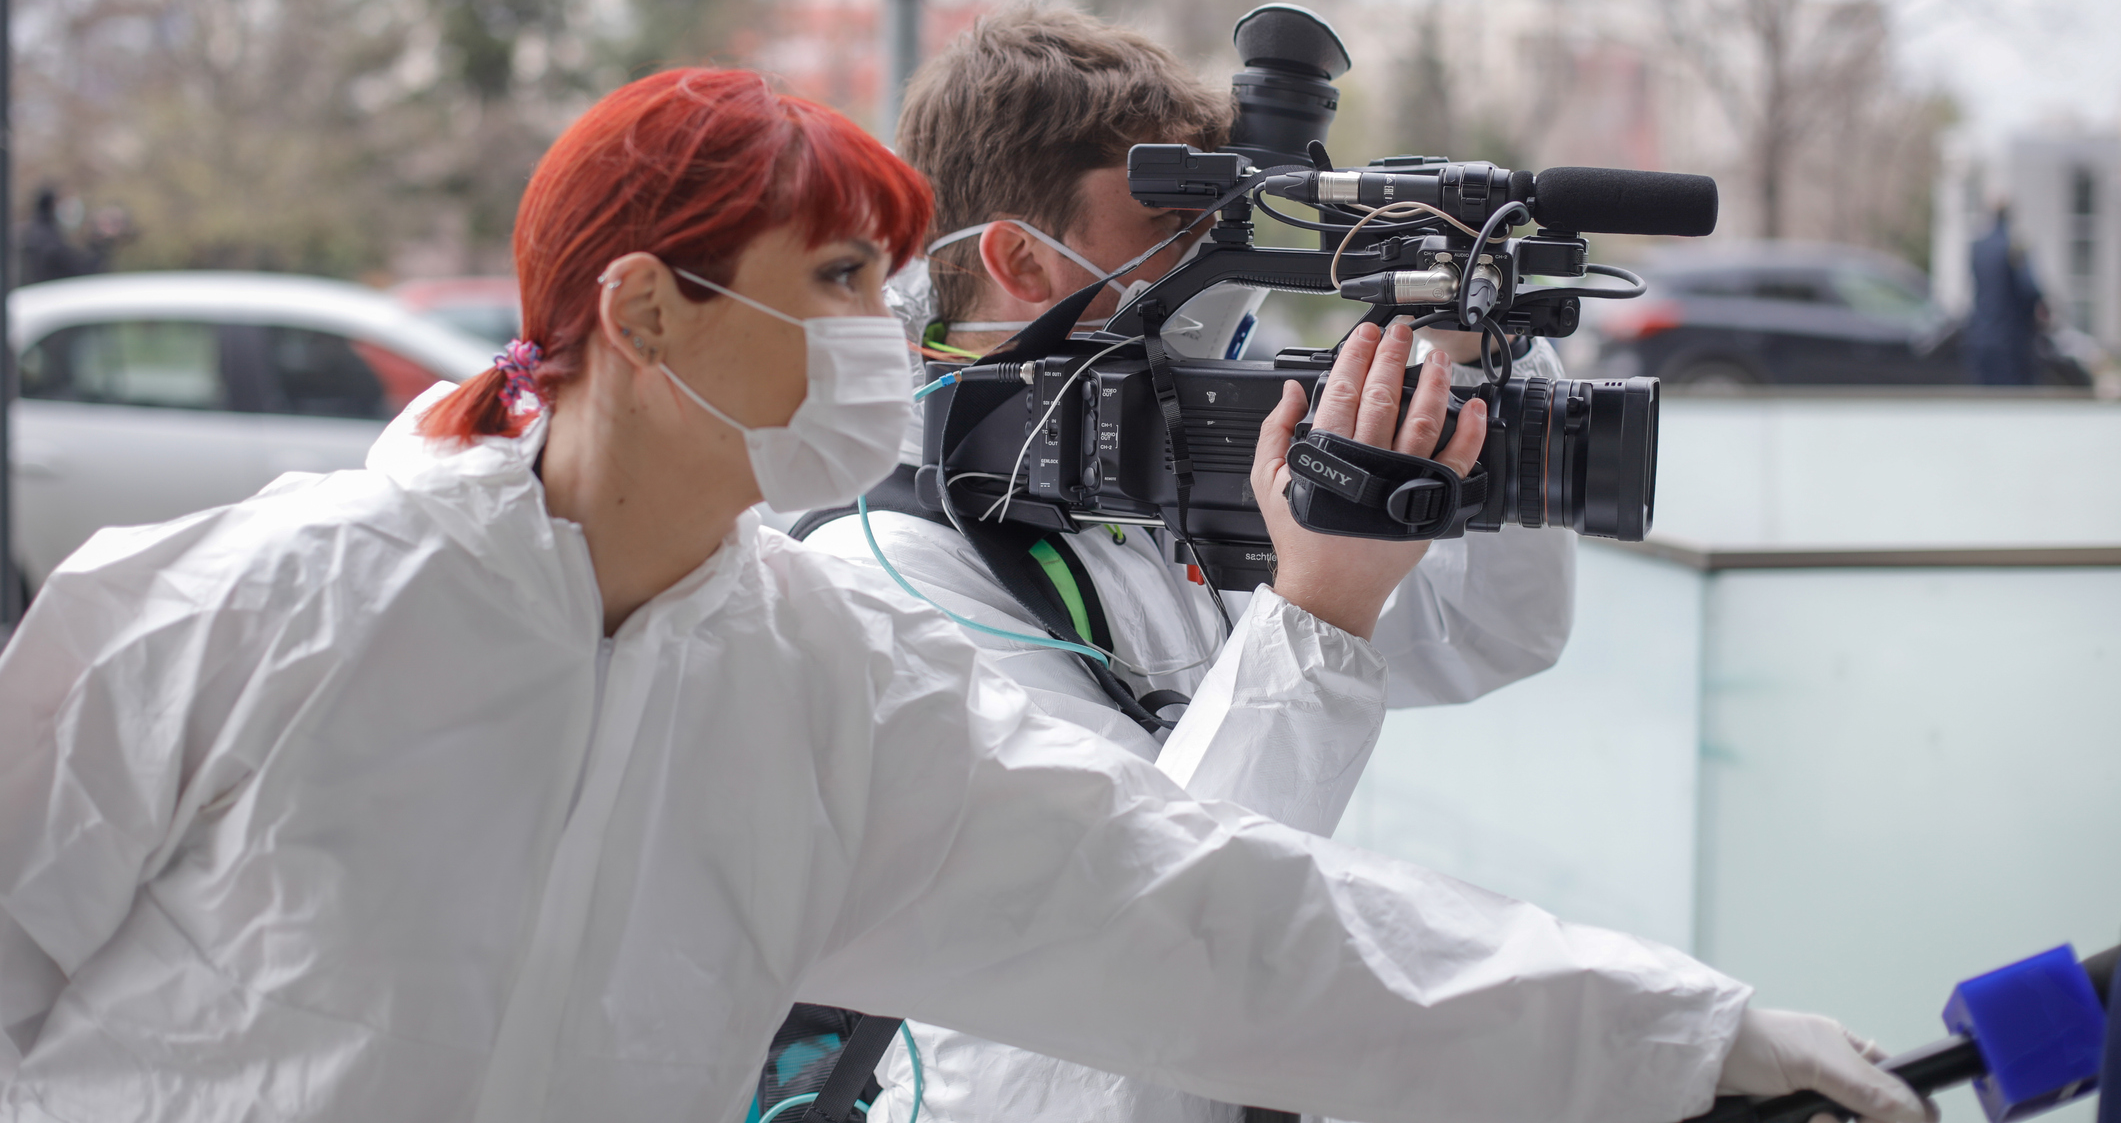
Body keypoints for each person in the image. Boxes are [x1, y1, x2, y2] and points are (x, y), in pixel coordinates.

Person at [0, 69, 1925, 1123]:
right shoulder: (261, 603)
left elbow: (1216, 926)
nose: (889, 339)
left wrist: (1684, 1035)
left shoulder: (799, 682)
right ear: (647, 309)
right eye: (837, 284)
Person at [799, 4, 1578, 1122]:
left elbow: (1488, 634)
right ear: (1022, 257)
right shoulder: (886, 573)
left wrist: (1481, 351)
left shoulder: (1149, 474)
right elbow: (1151, 915)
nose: (1205, 268)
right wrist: (1320, 601)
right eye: (1168, 228)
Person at [1966, 202, 2047, 385]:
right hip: (2011, 340)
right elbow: (2030, 290)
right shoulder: (2013, 247)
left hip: (1980, 337)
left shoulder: (1978, 247)